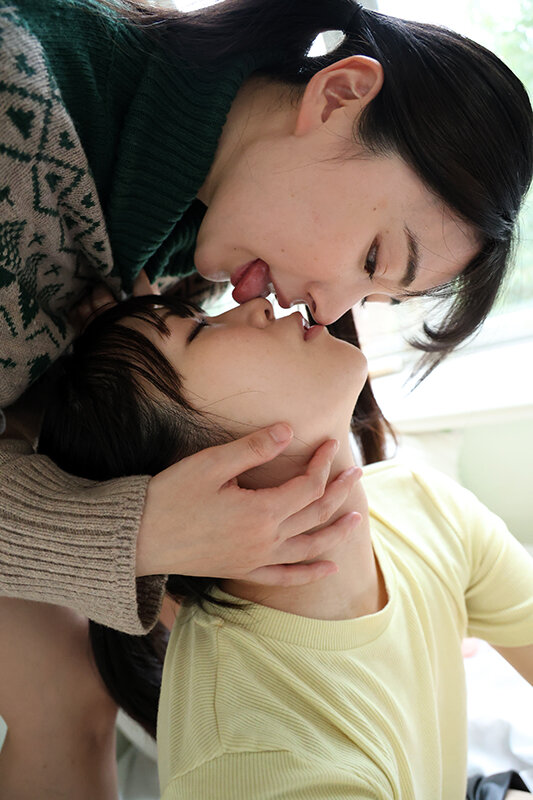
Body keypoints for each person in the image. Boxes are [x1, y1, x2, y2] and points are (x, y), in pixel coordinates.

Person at [1, 0, 532, 632]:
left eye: (371, 295)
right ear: (337, 97)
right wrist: (139, 534)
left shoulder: (186, 253)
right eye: (372, 257)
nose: (327, 311)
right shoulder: (19, 104)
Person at [36, 294, 533, 799]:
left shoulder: (422, 506)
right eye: (200, 331)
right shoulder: (258, 758)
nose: (258, 304)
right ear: (188, 481)